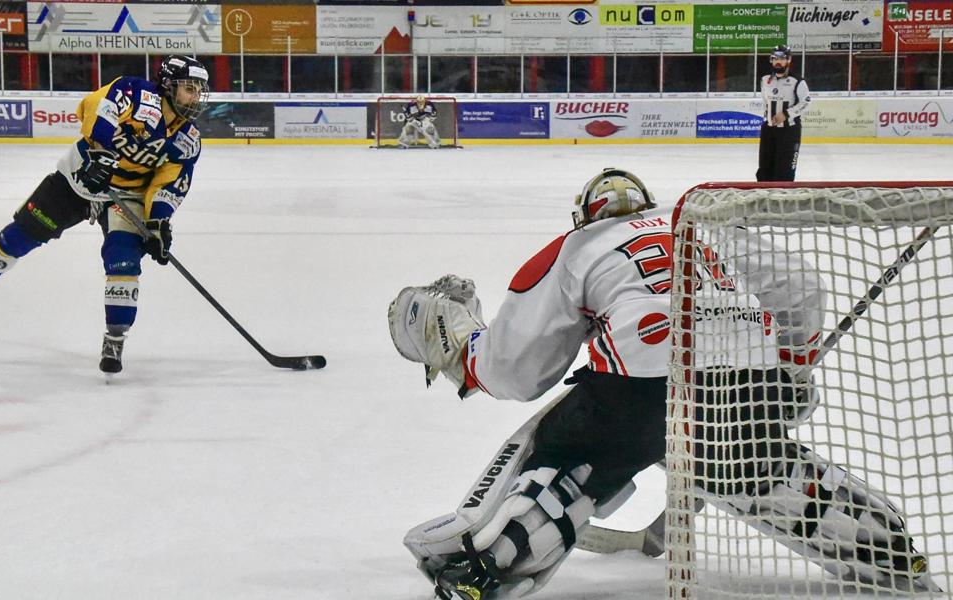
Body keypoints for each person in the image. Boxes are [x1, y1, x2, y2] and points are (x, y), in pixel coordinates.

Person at [387, 169, 936, 599]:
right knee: (754, 462)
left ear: (583, 215)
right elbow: (798, 287)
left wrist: (470, 357)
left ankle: (489, 566)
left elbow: (518, 371)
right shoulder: (696, 221)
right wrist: (788, 369)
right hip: (746, 377)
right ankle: (883, 545)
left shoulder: (573, 248)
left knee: (568, 455)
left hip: (641, 389)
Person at [0, 55, 210, 376]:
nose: (195, 98)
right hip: (81, 176)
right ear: (168, 86)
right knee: (23, 234)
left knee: (124, 260)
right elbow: (98, 107)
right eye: (189, 88)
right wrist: (102, 154)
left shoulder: (188, 139)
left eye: (199, 91)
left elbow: (169, 183)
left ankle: (115, 338)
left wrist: (158, 222)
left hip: (126, 197)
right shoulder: (137, 94)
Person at [757, 44, 811, 182]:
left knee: (785, 172)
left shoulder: (797, 81)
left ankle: (783, 201)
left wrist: (786, 114)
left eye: (781, 58)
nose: (777, 61)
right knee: (764, 171)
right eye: (774, 58)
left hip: (789, 132)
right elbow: (765, 101)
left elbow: (806, 103)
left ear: (788, 60)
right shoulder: (765, 80)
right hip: (768, 131)